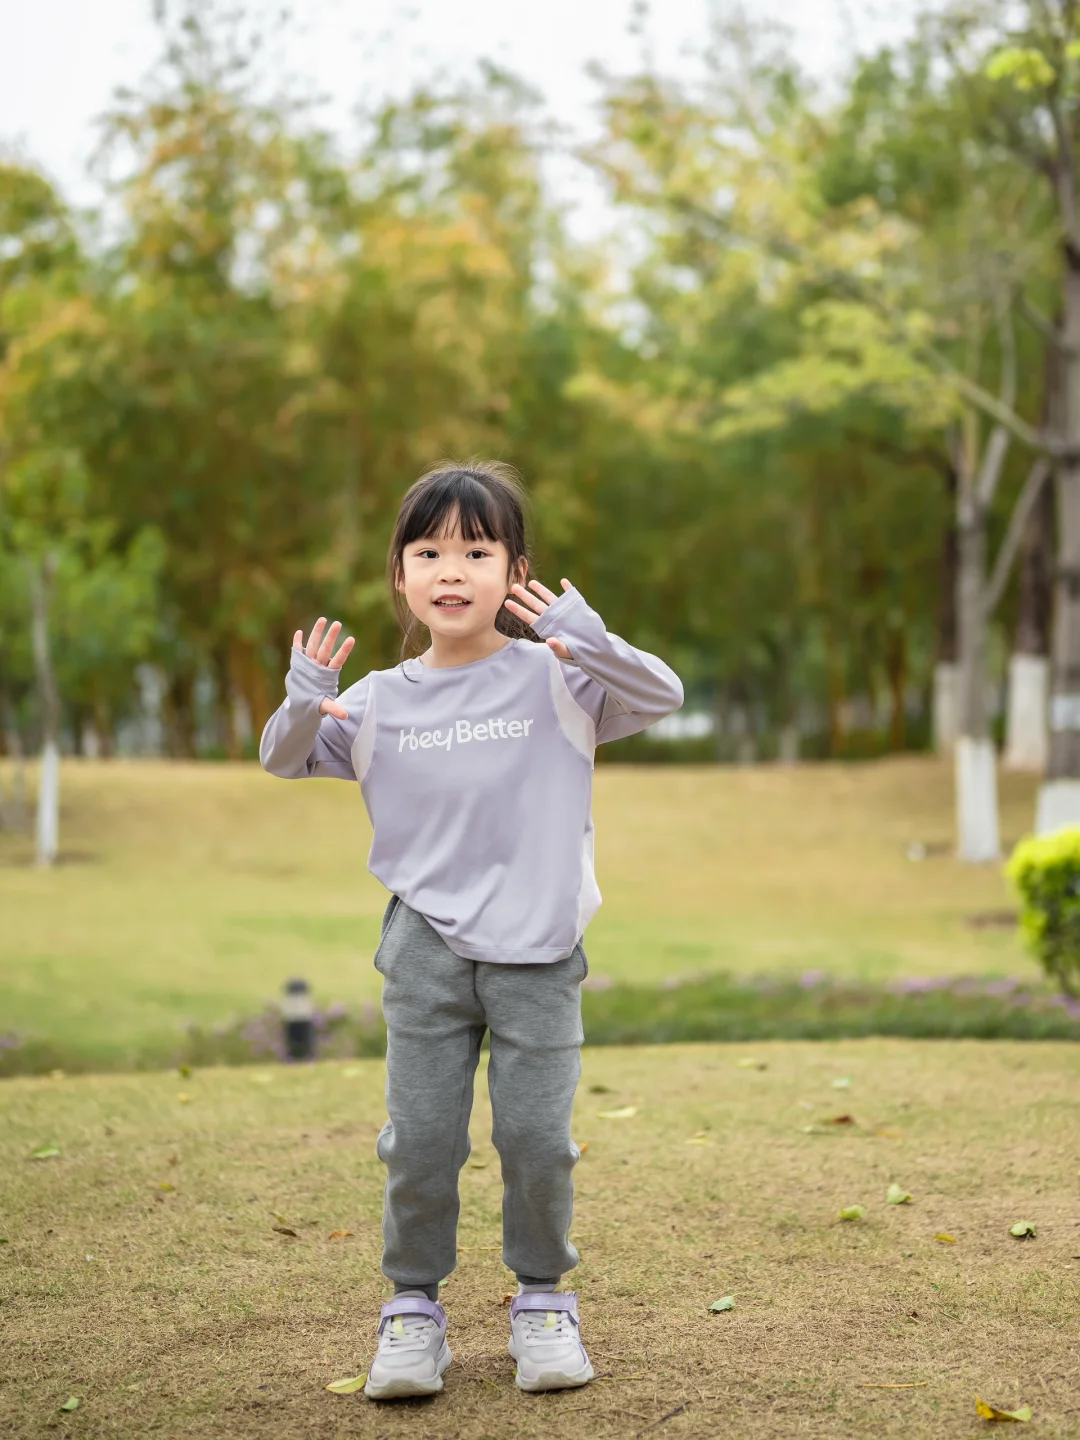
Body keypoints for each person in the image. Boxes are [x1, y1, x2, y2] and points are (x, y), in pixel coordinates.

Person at [259, 460, 683, 1401]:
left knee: (536, 1138)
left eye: (476, 550)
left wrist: (583, 634)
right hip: (425, 951)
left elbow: (662, 697)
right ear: (400, 577)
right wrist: (302, 694)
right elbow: (285, 759)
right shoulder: (374, 699)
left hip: (538, 952)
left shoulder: (561, 678)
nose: (452, 569)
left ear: (514, 571)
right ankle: (412, 1311)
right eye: (429, 551)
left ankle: (543, 1303)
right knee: (421, 1143)